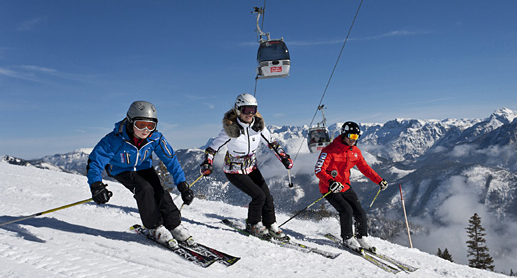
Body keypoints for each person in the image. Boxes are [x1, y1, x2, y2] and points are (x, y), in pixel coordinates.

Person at [86, 100, 196, 249]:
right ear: (131, 122)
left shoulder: (155, 138)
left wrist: (182, 185)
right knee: (144, 188)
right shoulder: (114, 139)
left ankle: (174, 225)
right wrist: (96, 185)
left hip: (144, 167)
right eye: (141, 125)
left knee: (160, 190)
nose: (146, 130)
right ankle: (154, 227)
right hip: (121, 169)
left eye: (151, 126)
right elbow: (95, 161)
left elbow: (171, 161)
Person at [200, 93, 293, 240]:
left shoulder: (258, 126)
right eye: (246, 110)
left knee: (267, 197)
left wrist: (284, 157)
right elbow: (212, 149)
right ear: (238, 110)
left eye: (253, 110)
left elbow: (272, 143)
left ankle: (271, 224)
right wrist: (207, 163)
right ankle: (253, 224)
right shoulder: (230, 130)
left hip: (251, 167)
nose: (250, 114)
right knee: (258, 196)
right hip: (234, 170)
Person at [314, 121, 388, 251]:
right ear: (344, 135)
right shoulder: (329, 150)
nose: (354, 140)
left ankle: (361, 237)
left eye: (356, 137)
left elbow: (365, 168)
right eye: (352, 136)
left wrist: (379, 180)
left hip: (345, 186)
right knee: (346, 210)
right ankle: (347, 238)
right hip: (329, 188)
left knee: (359, 211)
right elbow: (319, 170)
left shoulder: (355, 152)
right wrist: (331, 182)